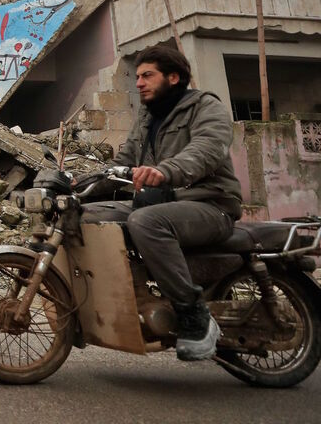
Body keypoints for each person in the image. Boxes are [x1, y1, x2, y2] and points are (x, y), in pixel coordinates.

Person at [83, 45, 243, 361]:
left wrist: (165, 171)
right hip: (159, 202)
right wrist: (79, 183)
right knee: (86, 215)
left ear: (173, 77)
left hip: (210, 205)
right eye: (137, 76)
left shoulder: (205, 107)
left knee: (145, 221)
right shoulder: (148, 116)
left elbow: (207, 149)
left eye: (147, 75)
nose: (139, 83)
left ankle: (192, 312)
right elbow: (124, 163)